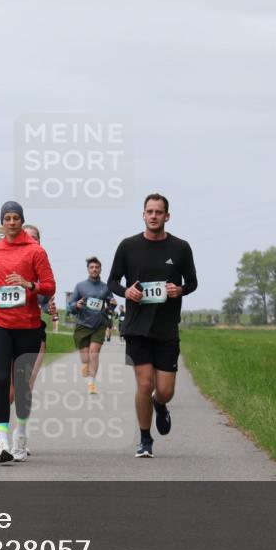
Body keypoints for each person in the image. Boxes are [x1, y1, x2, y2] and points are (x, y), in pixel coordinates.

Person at [108, 193, 197, 458]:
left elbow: (192, 282)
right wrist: (127, 292)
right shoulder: (128, 246)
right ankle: (145, 439)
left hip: (167, 328)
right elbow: (113, 281)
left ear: (167, 216)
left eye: (159, 212)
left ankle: (160, 405)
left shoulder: (181, 248)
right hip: (137, 328)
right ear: (143, 215)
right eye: (150, 211)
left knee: (165, 391)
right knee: (145, 385)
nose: (154, 216)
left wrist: (179, 290)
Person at [0, 202, 55, 463]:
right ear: (2, 222)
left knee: (21, 386)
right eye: (7, 218)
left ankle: (20, 434)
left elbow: (49, 286)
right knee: (2, 380)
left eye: (15, 218)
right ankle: (3, 442)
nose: (11, 222)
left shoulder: (36, 251)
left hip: (28, 327)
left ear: (22, 221)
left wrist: (29, 284)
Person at [68, 257, 116, 395]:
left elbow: (110, 306)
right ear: (88, 269)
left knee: (94, 353)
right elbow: (70, 305)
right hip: (83, 324)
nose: (94, 269)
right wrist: (76, 305)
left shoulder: (106, 287)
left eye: (97, 267)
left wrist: (112, 305)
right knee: (85, 358)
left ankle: (91, 383)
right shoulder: (80, 286)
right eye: (92, 267)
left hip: (99, 324)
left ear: (100, 269)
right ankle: (85, 365)